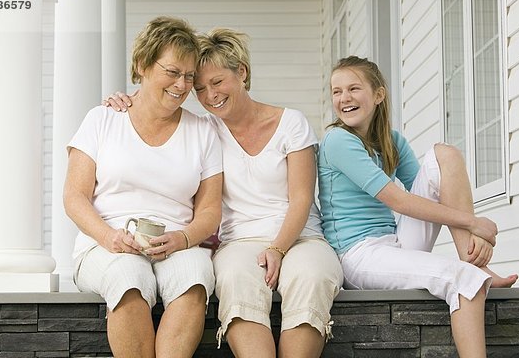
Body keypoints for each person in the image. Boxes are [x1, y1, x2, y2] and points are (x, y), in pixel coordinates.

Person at [105, 28, 343, 358]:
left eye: (217, 83)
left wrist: (277, 248)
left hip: (301, 237)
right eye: (200, 89)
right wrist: (127, 97)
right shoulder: (206, 129)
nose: (210, 95)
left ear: (241, 72)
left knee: (312, 277)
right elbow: (153, 102)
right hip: (239, 242)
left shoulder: (292, 123)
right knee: (235, 281)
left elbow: (302, 198)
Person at [317, 55, 518, 358]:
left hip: (395, 240)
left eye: (354, 89)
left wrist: (470, 226)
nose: (344, 98)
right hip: (358, 254)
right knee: (463, 280)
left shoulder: (390, 140)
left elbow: (431, 191)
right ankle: (473, 269)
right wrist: (474, 223)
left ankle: (473, 258)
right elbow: (399, 201)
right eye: (336, 91)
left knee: (444, 155)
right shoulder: (337, 140)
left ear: (378, 94)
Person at [64, 16, 223, 358]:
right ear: (142, 65)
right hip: (104, 244)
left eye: (189, 76)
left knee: (195, 277)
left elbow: (210, 210)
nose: (181, 85)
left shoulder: (203, 130)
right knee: (128, 275)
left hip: (178, 243)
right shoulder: (102, 119)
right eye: (172, 72)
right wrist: (109, 237)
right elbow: (74, 197)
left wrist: (182, 239)